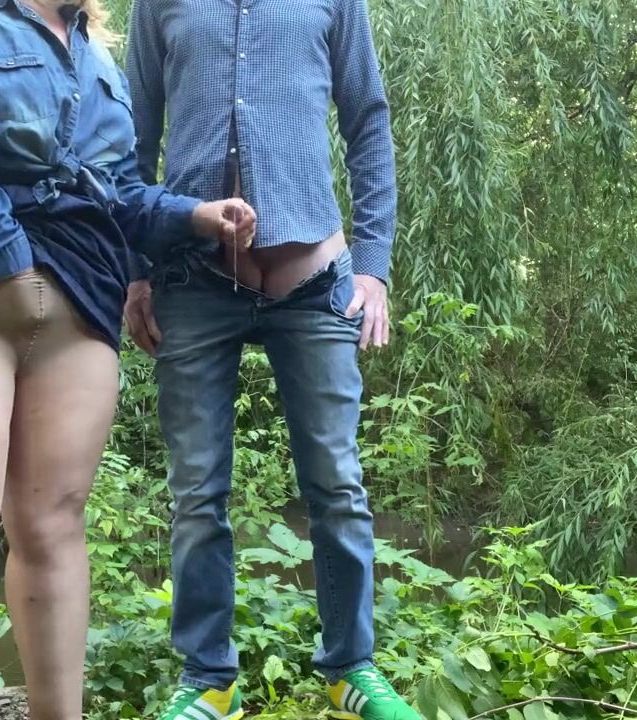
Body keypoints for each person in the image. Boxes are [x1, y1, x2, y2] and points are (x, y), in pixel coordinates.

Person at [0, 0, 255, 718]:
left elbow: (118, 193)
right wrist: (6, 263)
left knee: (53, 526)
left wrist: (192, 216)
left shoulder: (99, 55)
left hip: (83, 298)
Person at [123, 1, 419, 719]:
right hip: (190, 278)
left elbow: (367, 119)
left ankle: (350, 669)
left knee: (337, 485)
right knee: (196, 494)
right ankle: (209, 680)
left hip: (313, 279)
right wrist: (134, 270)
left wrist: (373, 265)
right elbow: (134, 137)